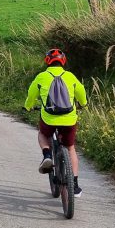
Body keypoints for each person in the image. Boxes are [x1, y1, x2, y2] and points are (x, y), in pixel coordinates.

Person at [24, 48, 88, 197]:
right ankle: (75, 185)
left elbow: (31, 95)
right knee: (70, 147)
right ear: (63, 61)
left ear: (47, 61)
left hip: (49, 118)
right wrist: (83, 104)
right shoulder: (70, 76)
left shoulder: (41, 77)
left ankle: (47, 155)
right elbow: (81, 93)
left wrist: (28, 107)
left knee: (43, 134)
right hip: (69, 118)